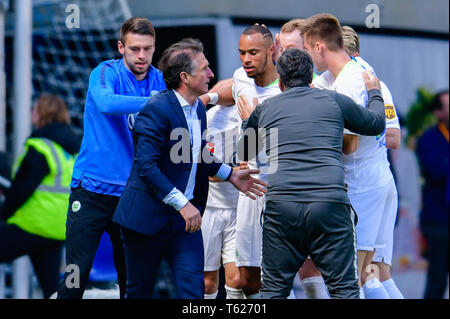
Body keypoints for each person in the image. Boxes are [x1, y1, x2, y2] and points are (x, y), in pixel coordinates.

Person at [112, 38, 267, 299]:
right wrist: (182, 203)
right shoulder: (156, 109)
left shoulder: (197, 108)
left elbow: (198, 154)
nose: (211, 74)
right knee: (138, 292)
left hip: (184, 222)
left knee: (194, 292)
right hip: (146, 219)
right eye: (204, 68)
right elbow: (146, 166)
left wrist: (231, 175)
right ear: (184, 77)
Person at [238, 48, 386, 299]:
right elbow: (375, 124)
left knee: (273, 291)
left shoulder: (266, 108)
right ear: (311, 78)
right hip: (329, 205)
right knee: (344, 290)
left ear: (281, 83)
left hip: (281, 207)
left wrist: (247, 119)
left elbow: (244, 150)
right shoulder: (333, 100)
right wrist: (374, 93)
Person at [56, 17, 166, 299]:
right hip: (91, 191)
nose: (141, 56)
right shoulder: (105, 72)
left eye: (147, 49)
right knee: (74, 276)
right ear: (121, 47)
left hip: (132, 195)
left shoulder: (160, 81)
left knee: (132, 280)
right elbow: (105, 102)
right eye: (134, 49)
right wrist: (155, 103)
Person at [303, 13, 396, 298]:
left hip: (361, 186)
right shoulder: (338, 75)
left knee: (351, 279)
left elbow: (349, 145)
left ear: (319, 47)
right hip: (372, 180)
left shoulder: (350, 82)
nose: (307, 59)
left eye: (306, 50)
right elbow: (305, 91)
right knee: (370, 277)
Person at [339, 25, 404, 298]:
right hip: (382, 180)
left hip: (365, 184)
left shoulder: (350, 80)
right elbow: (393, 136)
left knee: (357, 275)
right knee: (375, 274)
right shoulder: (375, 80)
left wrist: (356, 127)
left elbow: (391, 137)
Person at [0, 94, 80, 299]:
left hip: (33, 224)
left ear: (41, 114)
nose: (31, 113)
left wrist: (5, 213)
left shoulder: (41, 147)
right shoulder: (73, 150)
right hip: (59, 227)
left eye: (34, 109)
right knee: (51, 288)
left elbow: (22, 188)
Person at [202, 95, 246, 299]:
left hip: (239, 209)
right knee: (208, 282)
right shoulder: (211, 119)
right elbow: (207, 171)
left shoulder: (255, 118)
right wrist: (234, 173)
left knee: (237, 280)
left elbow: (259, 167)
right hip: (210, 209)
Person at [416, 90, 449, 299]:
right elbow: (436, 170)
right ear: (438, 112)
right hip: (439, 220)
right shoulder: (428, 139)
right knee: (437, 279)